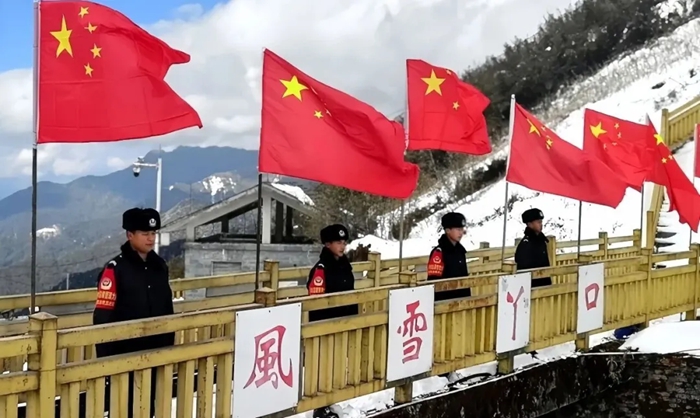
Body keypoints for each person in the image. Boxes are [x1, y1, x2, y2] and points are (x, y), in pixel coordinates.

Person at [93, 207, 175, 417]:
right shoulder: (115, 269)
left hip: (155, 353)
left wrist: (168, 346)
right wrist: (106, 360)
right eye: (145, 233)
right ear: (130, 235)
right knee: (123, 408)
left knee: (149, 407)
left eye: (153, 233)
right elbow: (102, 316)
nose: (151, 238)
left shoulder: (160, 267)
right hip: (124, 355)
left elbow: (167, 307)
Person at [306, 224, 358, 418]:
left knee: (336, 364)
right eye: (338, 242)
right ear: (327, 244)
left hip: (342, 323)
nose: (342, 246)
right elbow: (316, 300)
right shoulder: (321, 269)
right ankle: (320, 406)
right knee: (323, 365)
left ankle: (332, 401)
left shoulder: (345, 266)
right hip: (325, 325)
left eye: (344, 242)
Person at [427, 212, 471, 301]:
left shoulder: (460, 251)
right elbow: (433, 283)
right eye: (458, 229)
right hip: (445, 303)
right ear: (448, 230)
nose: (461, 233)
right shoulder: (438, 253)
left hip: (462, 302)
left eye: (462, 229)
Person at [514, 208, 552, 287]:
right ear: (530, 224)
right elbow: (523, 268)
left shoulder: (541, 241)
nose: (541, 224)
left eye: (541, 222)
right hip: (532, 287)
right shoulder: (526, 244)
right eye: (538, 222)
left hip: (544, 285)